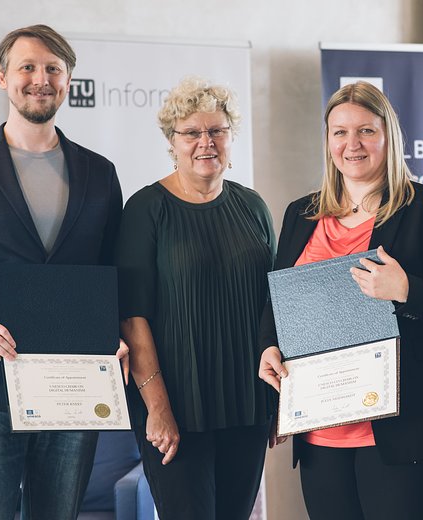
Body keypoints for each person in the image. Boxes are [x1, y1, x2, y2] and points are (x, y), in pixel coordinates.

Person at [0, 25, 126, 520]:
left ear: (68, 80)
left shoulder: (99, 173)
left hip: (74, 386)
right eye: (28, 67)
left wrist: (117, 331)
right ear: (2, 77)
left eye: (53, 68)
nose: (41, 79)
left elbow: (113, 273)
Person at [258, 81, 423, 520]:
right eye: (339, 132)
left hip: (405, 433)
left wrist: (406, 291)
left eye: (365, 131)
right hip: (321, 432)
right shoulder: (300, 214)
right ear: (327, 141)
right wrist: (268, 346)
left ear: (388, 136)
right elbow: (280, 302)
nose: (351, 144)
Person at [116, 76, 275, 520]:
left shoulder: (253, 207)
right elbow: (133, 318)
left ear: (230, 137)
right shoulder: (146, 209)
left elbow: (276, 306)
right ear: (173, 141)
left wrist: (280, 401)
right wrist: (158, 409)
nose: (205, 142)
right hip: (178, 409)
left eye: (216, 131)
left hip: (247, 404)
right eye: (191, 132)